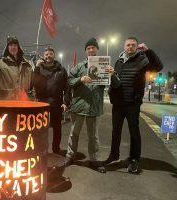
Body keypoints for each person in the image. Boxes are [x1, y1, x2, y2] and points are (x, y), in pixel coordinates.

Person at [104, 37, 163, 174]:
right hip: (118, 104)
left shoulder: (142, 60)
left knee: (134, 132)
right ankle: (114, 155)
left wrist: (148, 51)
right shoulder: (118, 62)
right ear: (124, 47)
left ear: (137, 46)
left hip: (132, 103)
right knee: (115, 131)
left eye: (133, 45)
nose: (130, 47)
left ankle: (134, 159)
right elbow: (116, 80)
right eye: (127, 45)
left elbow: (158, 67)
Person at [65, 38, 113, 173]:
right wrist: (80, 79)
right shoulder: (79, 67)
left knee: (93, 136)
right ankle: (70, 156)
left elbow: (110, 85)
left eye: (93, 47)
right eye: (88, 48)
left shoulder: (104, 66)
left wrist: (111, 74)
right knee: (74, 133)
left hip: (94, 106)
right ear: (85, 51)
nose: (91, 50)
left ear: (97, 49)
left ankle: (94, 159)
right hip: (79, 106)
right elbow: (68, 81)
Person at [32, 47, 70, 153]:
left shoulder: (61, 70)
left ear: (54, 55)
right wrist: (36, 68)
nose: (48, 56)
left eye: (50, 54)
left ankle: (56, 149)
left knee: (57, 129)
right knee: (40, 129)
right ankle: (41, 149)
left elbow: (67, 87)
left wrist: (66, 102)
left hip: (56, 103)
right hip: (41, 104)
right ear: (43, 56)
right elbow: (33, 83)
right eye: (46, 54)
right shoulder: (39, 68)